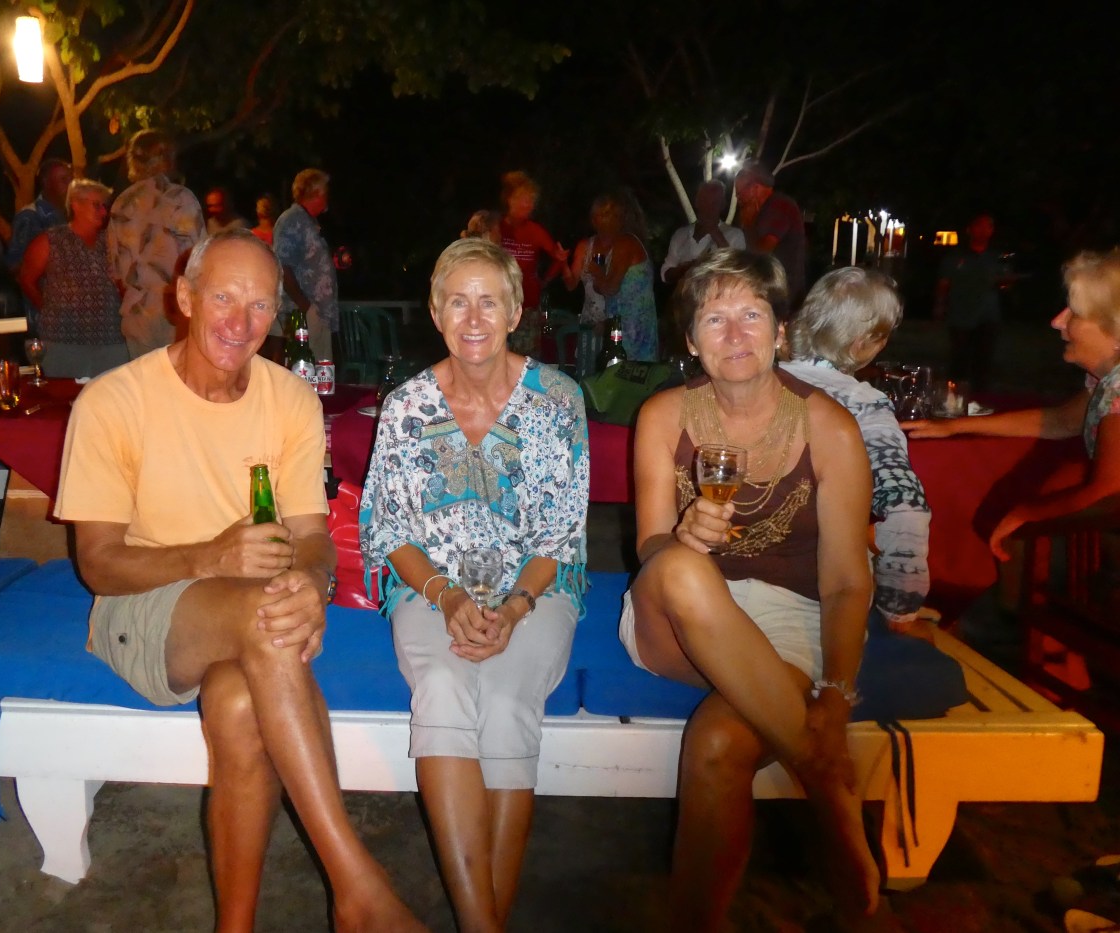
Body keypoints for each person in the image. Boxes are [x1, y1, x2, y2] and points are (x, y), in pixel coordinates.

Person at [53, 230, 423, 933]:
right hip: (142, 606)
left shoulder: (290, 399)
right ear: (185, 297)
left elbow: (313, 539)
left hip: (253, 613)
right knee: (265, 616)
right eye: (223, 297)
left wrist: (313, 583)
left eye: (258, 305)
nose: (239, 321)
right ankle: (357, 888)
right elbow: (97, 562)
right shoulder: (113, 401)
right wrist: (210, 558)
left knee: (239, 701)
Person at [623, 249, 880, 927]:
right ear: (690, 340)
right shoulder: (664, 415)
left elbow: (846, 581)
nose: (735, 333)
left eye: (751, 314)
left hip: (784, 619)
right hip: (674, 621)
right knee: (680, 567)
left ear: (781, 331)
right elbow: (648, 547)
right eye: (714, 318)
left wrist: (836, 694)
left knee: (717, 747)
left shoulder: (828, 426)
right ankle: (827, 784)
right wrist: (683, 536)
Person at [359, 237, 589, 933]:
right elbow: (390, 529)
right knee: (444, 686)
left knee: (510, 698)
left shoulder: (557, 400)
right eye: (458, 302)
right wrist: (448, 595)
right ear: (435, 313)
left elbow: (560, 537)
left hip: (537, 587)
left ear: (516, 312)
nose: (474, 317)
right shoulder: (407, 407)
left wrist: (514, 608)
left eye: (490, 301)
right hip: (431, 587)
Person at [907, 248, 1120, 560]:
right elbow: (1061, 421)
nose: (1057, 321)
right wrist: (954, 426)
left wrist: (1027, 513)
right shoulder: (1108, 382)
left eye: (1074, 312)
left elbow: (1106, 492)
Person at [782, 267, 932, 635]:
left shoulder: (758, 382)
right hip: (822, 595)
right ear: (862, 343)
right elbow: (906, 512)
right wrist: (899, 613)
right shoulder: (863, 406)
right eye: (883, 336)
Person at [107, 129, 206, 358]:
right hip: (175, 314)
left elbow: (116, 270)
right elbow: (200, 258)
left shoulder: (121, 203)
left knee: (145, 380)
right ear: (168, 158)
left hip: (137, 316)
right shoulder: (181, 198)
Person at [16, 179, 128, 378]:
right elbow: (26, 279)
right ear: (76, 205)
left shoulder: (112, 242)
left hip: (111, 339)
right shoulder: (50, 241)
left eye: (105, 206)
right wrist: (48, 308)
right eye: (97, 205)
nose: (103, 212)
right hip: (64, 342)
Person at [563, 191, 659, 363]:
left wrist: (596, 270)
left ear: (620, 217)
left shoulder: (626, 242)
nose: (598, 220)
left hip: (632, 331)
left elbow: (610, 288)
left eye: (606, 214)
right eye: (596, 215)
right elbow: (603, 289)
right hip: (620, 327)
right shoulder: (621, 242)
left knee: (626, 375)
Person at [934, 212, 1013, 392]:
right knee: (959, 358)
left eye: (988, 226)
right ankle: (954, 395)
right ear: (969, 229)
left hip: (988, 315)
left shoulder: (997, 257)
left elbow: (1006, 282)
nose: (983, 230)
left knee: (983, 359)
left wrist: (1005, 283)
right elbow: (944, 283)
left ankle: (980, 395)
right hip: (961, 314)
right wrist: (939, 306)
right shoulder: (955, 256)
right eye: (979, 225)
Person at [498, 171, 568, 356]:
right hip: (499, 304)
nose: (528, 205)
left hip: (527, 305)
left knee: (525, 359)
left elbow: (558, 258)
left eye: (531, 201)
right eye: (523, 199)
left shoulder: (535, 231)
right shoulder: (497, 227)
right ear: (509, 199)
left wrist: (545, 281)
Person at [274, 168, 338, 362]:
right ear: (315, 192)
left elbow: (307, 261)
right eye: (325, 191)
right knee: (307, 370)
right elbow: (281, 266)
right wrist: (306, 307)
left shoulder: (309, 221)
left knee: (322, 371)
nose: (327, 196)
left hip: (318, 314)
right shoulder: (291, 220)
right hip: (305, 315)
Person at [6, 157, 72, 323]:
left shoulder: (69, 216)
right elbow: (17, 268)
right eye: (63, 180)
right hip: (46, 318)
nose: (70, 185)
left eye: (71, 180)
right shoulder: (30, 217)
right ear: (46, 182)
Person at [735, 160, 807, 312]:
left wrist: (748, 224)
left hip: (782, 293)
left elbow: (761, 253)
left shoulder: (778, 206)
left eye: (740, 193)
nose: (738, 199)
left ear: (755, 188)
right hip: (775, 290)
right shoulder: (766, 209)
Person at [661, 179, 747, 286]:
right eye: (704, 200)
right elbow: (665, 273)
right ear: (696, 202)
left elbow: (738, 272)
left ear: (723, 205)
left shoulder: (735, 235)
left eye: (715, 203)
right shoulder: (681, 234)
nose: (708, 207)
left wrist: (716, 234)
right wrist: (685, 269)